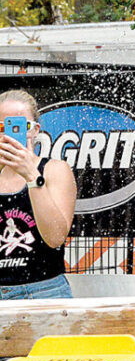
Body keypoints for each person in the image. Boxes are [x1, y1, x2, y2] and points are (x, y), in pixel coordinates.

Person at [0, 89, 77, 300]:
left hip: (45, 290)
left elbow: (55, 238)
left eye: (20, 127)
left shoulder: (54, 170)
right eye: (2, 128)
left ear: (35, 131)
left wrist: (32, 176)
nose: (10, 135)